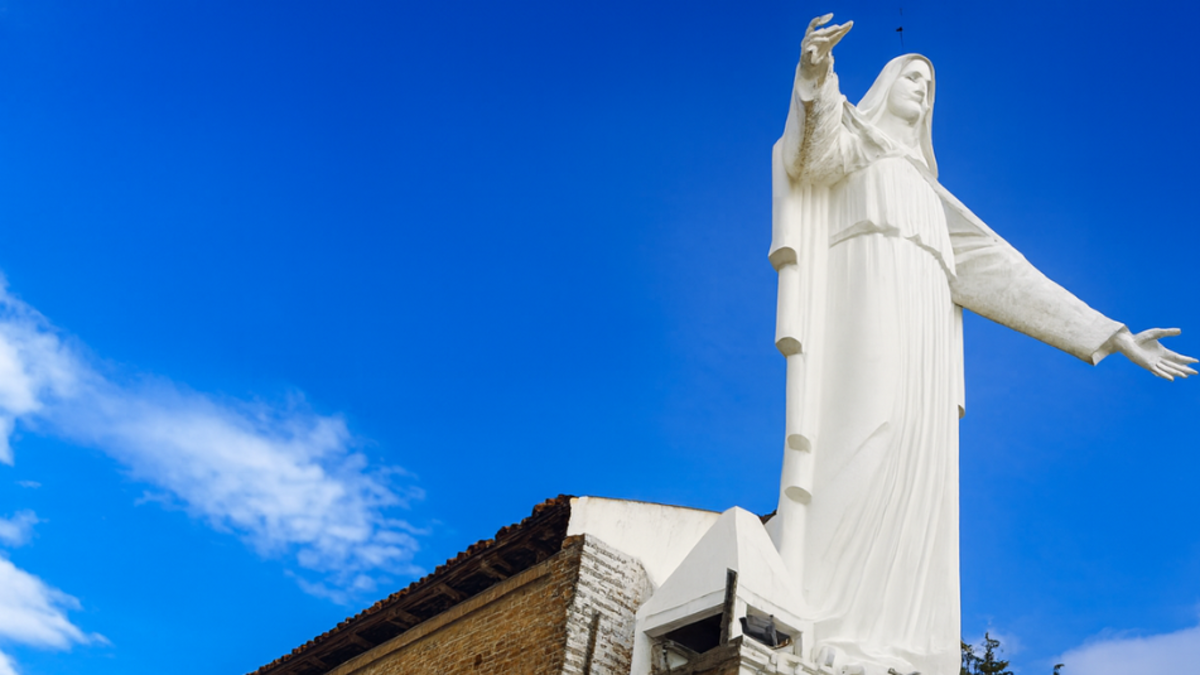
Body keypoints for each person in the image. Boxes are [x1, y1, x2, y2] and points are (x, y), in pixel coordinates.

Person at [764, 15, 1196, 675]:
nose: (923, 89)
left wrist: (1111, 334)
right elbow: (808, 156)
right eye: (913, 76)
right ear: (884, 85)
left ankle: (896, 644)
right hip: (864, 307)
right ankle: (837, 622)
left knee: (918, 464)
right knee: (865, 438)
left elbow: (1010, 275)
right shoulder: (856, 144)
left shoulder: (935, 201)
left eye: (932, 86)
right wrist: (815, 75)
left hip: (926, 331)